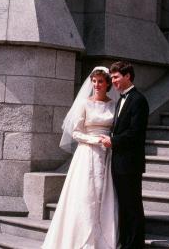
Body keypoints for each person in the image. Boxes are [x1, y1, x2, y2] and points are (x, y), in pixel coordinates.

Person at [42, 67, 119, 249]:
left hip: (107, 154)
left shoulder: (114, 105)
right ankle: (82, 237)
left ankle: (102, 236)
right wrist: (95, 140)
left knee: (104, 192)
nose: (97, 85)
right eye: (94, 81)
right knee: (86, 194)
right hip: (87, 153)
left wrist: (109, 142)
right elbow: (76, 132)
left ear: (108, 83)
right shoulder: (84, 104)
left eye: (101, 81)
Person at [100, 61, 149, 249]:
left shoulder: (138, 100)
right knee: (124, 204)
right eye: (112, 78)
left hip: (130, 163)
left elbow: (136, 133)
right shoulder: (121, 99)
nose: (113, 81)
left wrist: (113, 141)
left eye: (116, 77)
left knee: (132, 205)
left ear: (128, 76)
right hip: (119, 162)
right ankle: (126, 242)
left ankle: (135, 245)